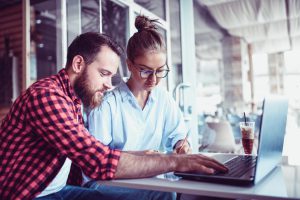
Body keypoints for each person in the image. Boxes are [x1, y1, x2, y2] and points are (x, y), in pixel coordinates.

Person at [0, 32, 228, 200]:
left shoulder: (72, 99)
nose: (109, 84)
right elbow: (96, 161)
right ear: (79, 64)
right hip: (31, 195)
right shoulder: (47, 97)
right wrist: (177, 162)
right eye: (104, 74)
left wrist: (152, 155)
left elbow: (91, 152)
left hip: (58, 190)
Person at [88, 15, 191, 154]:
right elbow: (96, 159)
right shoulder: (107, 105)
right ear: (129, 65)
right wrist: (138, 158)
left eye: (160, 70)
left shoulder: (163, 98)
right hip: (122, 176)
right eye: (146, 71)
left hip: (158, 175)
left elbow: (177, 134)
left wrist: (180, 145)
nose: (153, 79)